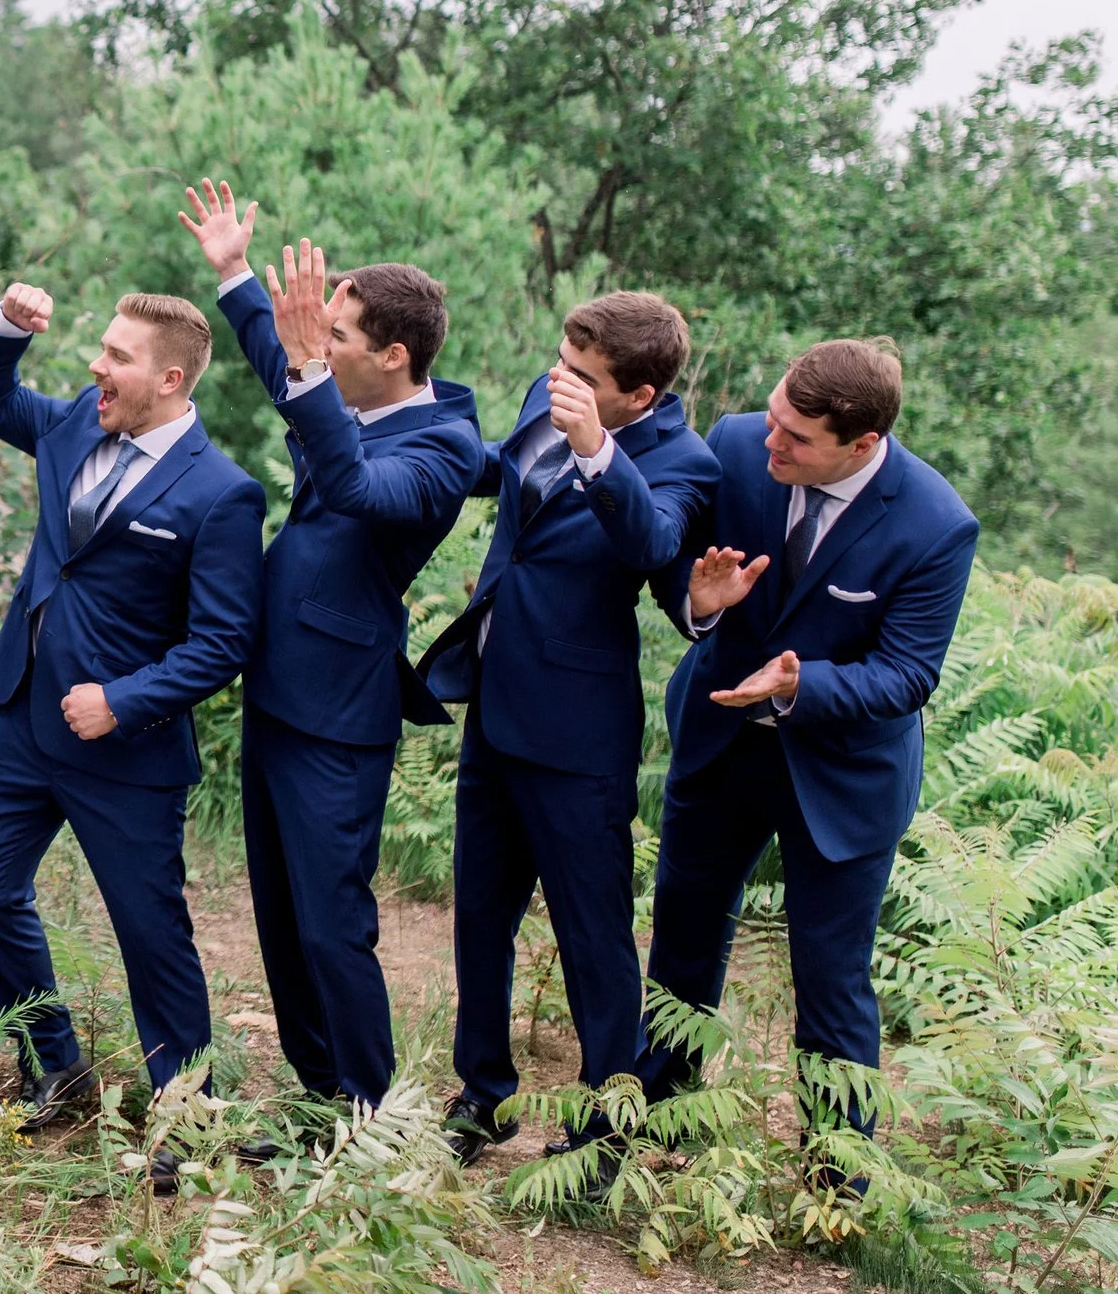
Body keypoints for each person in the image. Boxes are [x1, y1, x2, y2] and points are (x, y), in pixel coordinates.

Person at [180, 182, 482, 1109]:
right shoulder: (345, 392)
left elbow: (355, 488)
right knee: (278, 919)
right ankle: (318, 1098)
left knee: (331, 925)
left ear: (393, 356)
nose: (320, 351)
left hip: (339, 717)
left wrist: (310, 371)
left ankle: (368, 1110)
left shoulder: (445, 449)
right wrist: (233, 273)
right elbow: (291, 366)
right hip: (278, 691)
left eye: (338, 339)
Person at [639, 340, 977, 1163]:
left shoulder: (936, 523)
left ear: (861, 444)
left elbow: (906, 674)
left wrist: (799, 684)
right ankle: (644, 1128)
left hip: (842, 775)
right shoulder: (734, 445)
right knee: (679, 944)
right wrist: (697, 601)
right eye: (775, 415)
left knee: (831, 978)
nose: (770, 442)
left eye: (796, 437)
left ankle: (837, 1178)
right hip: (720, 745)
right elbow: (671, 564)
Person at [0, 284, 264, 1154]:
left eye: (117, 356)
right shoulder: (71, 424)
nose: (98, 364)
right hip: (24, 718)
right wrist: (7, 328)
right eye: (101, 348)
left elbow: (224, 642)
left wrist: (122, 701)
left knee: (150, 930)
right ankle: (57, 1061)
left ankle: (185, 1112)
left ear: (169, 378)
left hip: (126, 752)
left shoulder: (222, 493)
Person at [415, 292, 718, 1166]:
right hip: (495, 707)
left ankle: (607, 1122)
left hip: (580, 734)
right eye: (561, 361)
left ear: (642, 395)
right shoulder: (545, 397)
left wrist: (595, 448)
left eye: (585, 378)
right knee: (479, 916)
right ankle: (483, 1094)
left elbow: (654, 544)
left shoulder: (683, 462)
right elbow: (503, 478)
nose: (561, 381)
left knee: (593, 937)